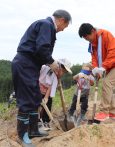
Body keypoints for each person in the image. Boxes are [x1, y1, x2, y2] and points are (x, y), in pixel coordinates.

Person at [11, 10, 72, 147]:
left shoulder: (46, 25)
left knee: (36, 97)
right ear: (61, 20)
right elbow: (42, 48)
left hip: (32, 66)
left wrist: (49, 61)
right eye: (65, 27)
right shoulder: (47, 25)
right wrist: (51, 61)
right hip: (25, 64)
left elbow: (40, 49)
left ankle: (33, 130)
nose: (62, 30)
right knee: (26, 99)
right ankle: (22, 135)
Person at [78, 23, 115, 121]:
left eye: (88, 38)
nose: (88, 40)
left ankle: (104, 112)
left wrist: (103, 67)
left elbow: (112, 52)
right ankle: (114, 113)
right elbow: (94, 57)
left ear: (92, 31)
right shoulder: (92, 43)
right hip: (110, 66)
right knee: (107, 86)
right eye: (86, 39)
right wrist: (96, 68)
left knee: (107, 83)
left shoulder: (106, 35)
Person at [39, 58, 72, 130]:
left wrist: (46, 98)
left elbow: (50, 87)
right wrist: (45, 97)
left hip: (47, 92)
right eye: (63, 71)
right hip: (39, 90)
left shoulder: (56, 76)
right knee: (39, 107)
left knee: (48, 105)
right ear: (59, 66)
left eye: (64, 72)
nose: (62, 73)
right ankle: (39, 123)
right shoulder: (48, 68)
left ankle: (46, 122)